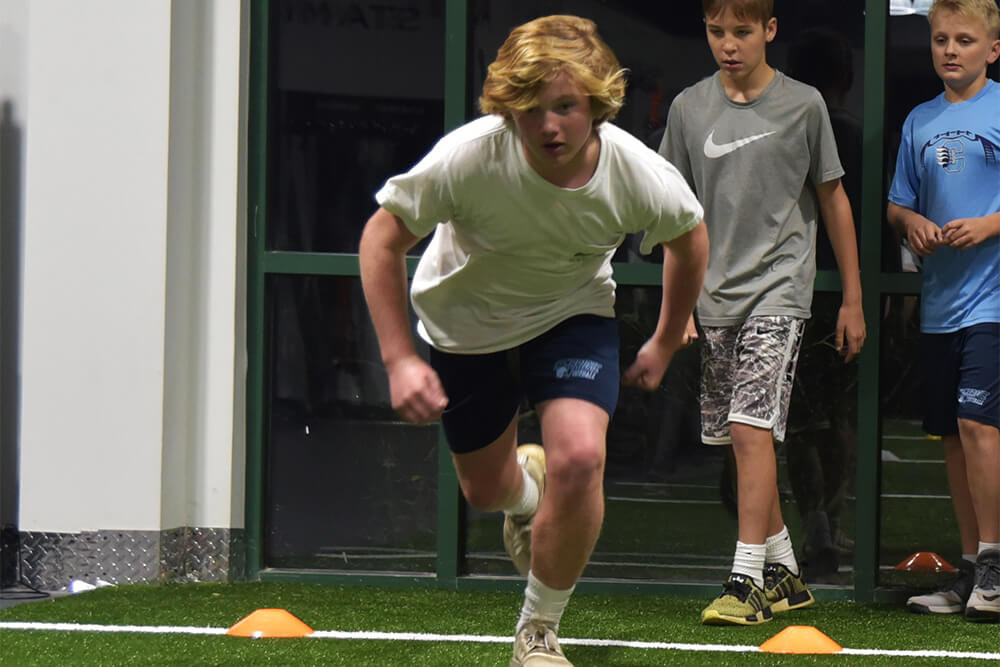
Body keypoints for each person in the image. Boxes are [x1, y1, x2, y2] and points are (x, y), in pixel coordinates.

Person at [359, 15, 709, 665]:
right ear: (507, 110)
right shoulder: (469, 158)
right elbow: (381, 239)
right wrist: (400, 357)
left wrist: (663, 338)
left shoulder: (635, 172)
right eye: (530, 109)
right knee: (484, 492)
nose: (549, 126)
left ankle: (538, 631)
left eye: (567, 107)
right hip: (468, 327)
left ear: (597, 105)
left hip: (570, 314)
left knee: (580, 456)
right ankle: (525, 492)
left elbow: (690, 243)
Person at [658, 0, 866, 625]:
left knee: (752, 430)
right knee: (735, 439)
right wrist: (679, 305)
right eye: (717, 31)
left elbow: (834, 201)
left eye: (742, 32)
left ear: (770, 31)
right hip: (714, 295)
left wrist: (853, 298)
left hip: (780, 290)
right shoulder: (688, 108)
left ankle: (746, 580)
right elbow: (673, 211)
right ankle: (784, 572)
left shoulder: (805, 105)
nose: (729, 43)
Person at [886, 0, 1000, 623]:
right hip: (939, 307)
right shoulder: (918, 121)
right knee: (953, 438)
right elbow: (897, 206)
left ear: (993, 49)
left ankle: (995, 566)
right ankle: (969, 570)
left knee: (981, 426)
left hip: (994, 302)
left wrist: (988, 225)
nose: (950, 50)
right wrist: (915, 225)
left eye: (963, 39)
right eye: (939, 39)